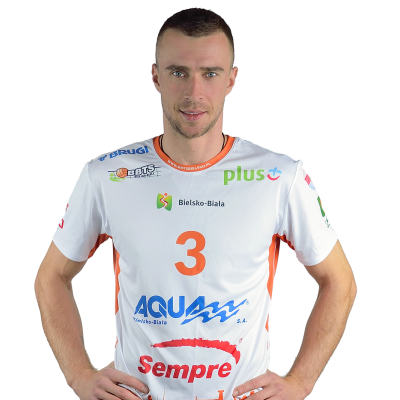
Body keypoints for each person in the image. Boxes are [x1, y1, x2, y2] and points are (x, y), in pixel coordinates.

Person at [34, 7, 357, 400]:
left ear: (232, 79)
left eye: (210, 73)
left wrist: (301, 381)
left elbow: (339, 281)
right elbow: (51, 276)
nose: (194, 93)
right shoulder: (106, 174)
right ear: (155, 76)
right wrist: (78, 374)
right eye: (178, 72)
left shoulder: (280, 177)